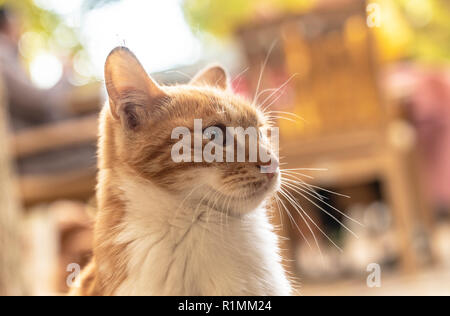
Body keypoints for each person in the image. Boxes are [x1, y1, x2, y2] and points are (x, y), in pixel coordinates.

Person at [0, 6, 71, 131]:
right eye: (17, 25)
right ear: (8, 26)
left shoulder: (8, 58)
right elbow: (41, 104)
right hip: (32, 142)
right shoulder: (3, 56)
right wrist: (64, 76)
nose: (20, 32)